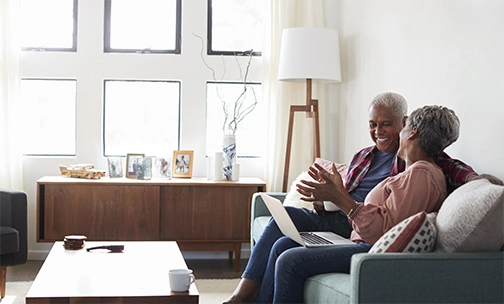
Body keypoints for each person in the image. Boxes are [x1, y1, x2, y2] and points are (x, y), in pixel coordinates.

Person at [223, 92, 502, 303]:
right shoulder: (388, 163)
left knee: (289, 259)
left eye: (393, 126)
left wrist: (480, 181)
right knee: (282, 240)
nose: (380, 132)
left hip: (367, 243)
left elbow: (382, 228)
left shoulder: (423, 173)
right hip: (354, 229)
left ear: (410, 129)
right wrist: (326, 196)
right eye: (373, 124)